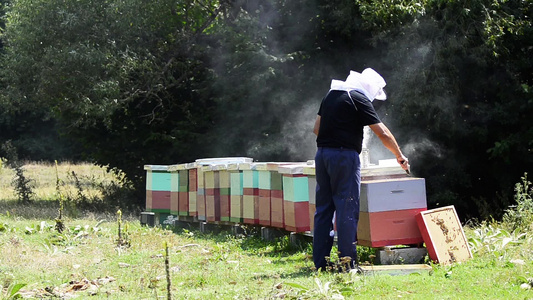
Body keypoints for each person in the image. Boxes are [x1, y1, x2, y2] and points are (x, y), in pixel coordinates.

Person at [312, 68, 409, 271]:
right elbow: (382, 133)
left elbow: (316, 129)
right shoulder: (357, 98)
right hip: (343, 157)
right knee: (347, 208)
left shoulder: (331, 94)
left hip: (322, 155)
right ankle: (348, 264)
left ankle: (320, 264)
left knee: (323, 210)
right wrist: (399, 155)